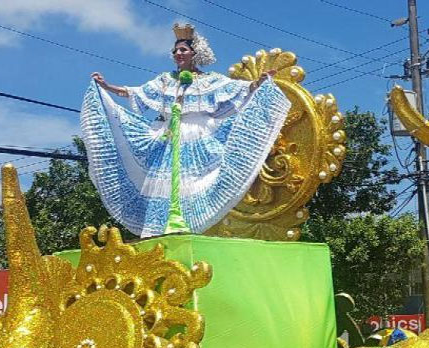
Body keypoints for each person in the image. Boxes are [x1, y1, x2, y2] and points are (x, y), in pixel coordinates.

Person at [84, 23, 291, 237]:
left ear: (195, 52)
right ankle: (164, 227)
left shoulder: (210, 80)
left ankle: (195, 225)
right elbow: (135, 92)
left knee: (195, 182)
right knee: (163, 184)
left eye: (183, 50)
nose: (178, 54)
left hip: (199, 135)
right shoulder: (165, 80)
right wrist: (106, 87)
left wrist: (259, 83)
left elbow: (238, 89)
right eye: (175, 51)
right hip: (169, 136)